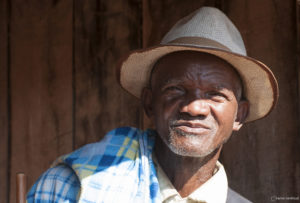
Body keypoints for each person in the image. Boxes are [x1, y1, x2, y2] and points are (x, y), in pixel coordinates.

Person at [26, 7, 278, 203]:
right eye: (176, 89)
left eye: (215, 95)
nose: (194, 108)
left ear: (239, 116)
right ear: (149, 103)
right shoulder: (72, 187)